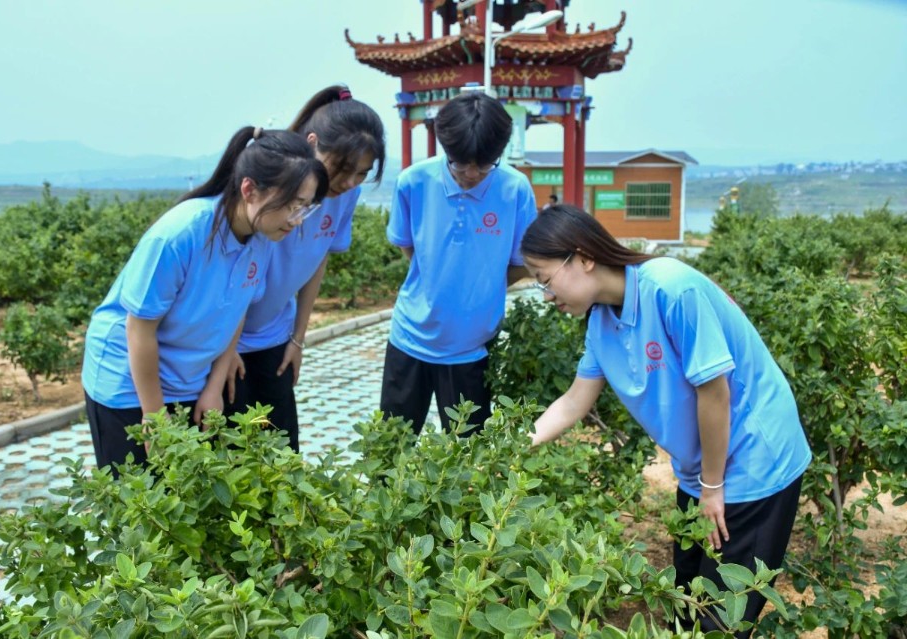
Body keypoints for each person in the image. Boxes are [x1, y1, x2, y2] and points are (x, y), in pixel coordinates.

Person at [521, 204, 811, 636]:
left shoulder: (671, 289)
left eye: (545, 280)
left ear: (582, 257)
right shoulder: (601, 323)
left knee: (721, 619)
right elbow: (572, 402)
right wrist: (514, 445)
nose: (547, 296)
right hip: (702, 472)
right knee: (685, 599)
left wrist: (714, 487)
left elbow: (714, 391)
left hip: (753, 464)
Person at [82, 128, 328, 475]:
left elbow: (237, 311)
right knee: (139, 509)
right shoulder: (181, 234)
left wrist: (213, 387)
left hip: (188, 378)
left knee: (190, 503)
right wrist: (154, 419)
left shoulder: (261, 238)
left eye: (305, 207)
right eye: (291, 205)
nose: (296, 220)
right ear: (249, 189)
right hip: (128, 382)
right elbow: (138, 329)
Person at [225, 85, 385, 452]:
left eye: (362, 174)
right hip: (227, 338)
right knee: (232, 453)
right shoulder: (275, 186)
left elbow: (318, 259)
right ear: (312, 143)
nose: (349, 183)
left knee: (280, 452)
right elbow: (236, 269)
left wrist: (298, 338)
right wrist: (225, 346)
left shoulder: (345, 196)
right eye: (343, 169)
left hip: (274, 337)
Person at [381, 91, 537, 435]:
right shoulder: (413, 182)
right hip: (410, 338)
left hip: (473, 348)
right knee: (390, 452)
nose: (470, 173)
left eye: (483, 165)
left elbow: (520, 262)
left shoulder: (515, 190)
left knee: (470, 461)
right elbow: (408, 245)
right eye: (459, 162)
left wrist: (480, 287)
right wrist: (437, 279)